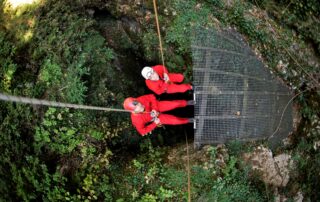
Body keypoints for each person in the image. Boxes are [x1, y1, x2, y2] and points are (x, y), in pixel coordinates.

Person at [123, 94, 194, 136]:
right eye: (138, 106)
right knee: (175, 121)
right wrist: (154, 124)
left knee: (174, 104)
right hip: (156, 118)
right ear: (133, 111)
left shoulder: (139, 100)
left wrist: (154, 108)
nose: (140, 105)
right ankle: (190, 120)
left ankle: (189, 102)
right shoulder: (137, 120)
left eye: (139, 103)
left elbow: (151, 96)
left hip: (155, 106)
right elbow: (142, 131)